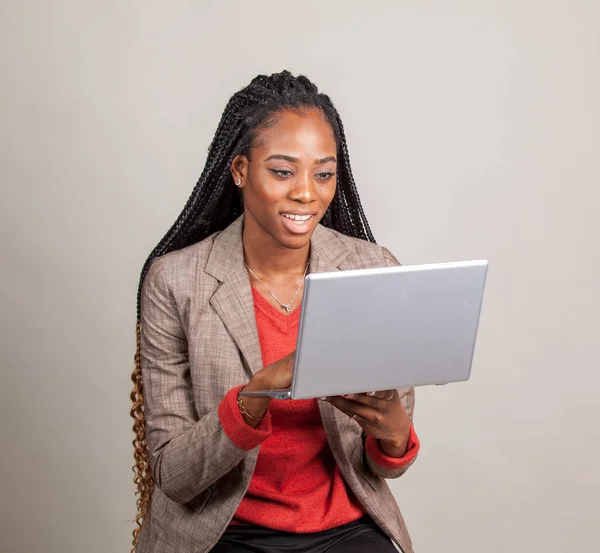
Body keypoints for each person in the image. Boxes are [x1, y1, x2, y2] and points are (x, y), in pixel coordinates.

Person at [130, 71, 420, 553]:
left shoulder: (372, 270)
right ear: (241, 169)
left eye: (323, 173)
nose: (307, 193)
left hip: (344, 529)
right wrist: (258, 391)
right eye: (283, 171)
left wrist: (394, 436)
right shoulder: (175, 281)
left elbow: (386, 462)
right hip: (223, 531)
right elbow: (174, 474)